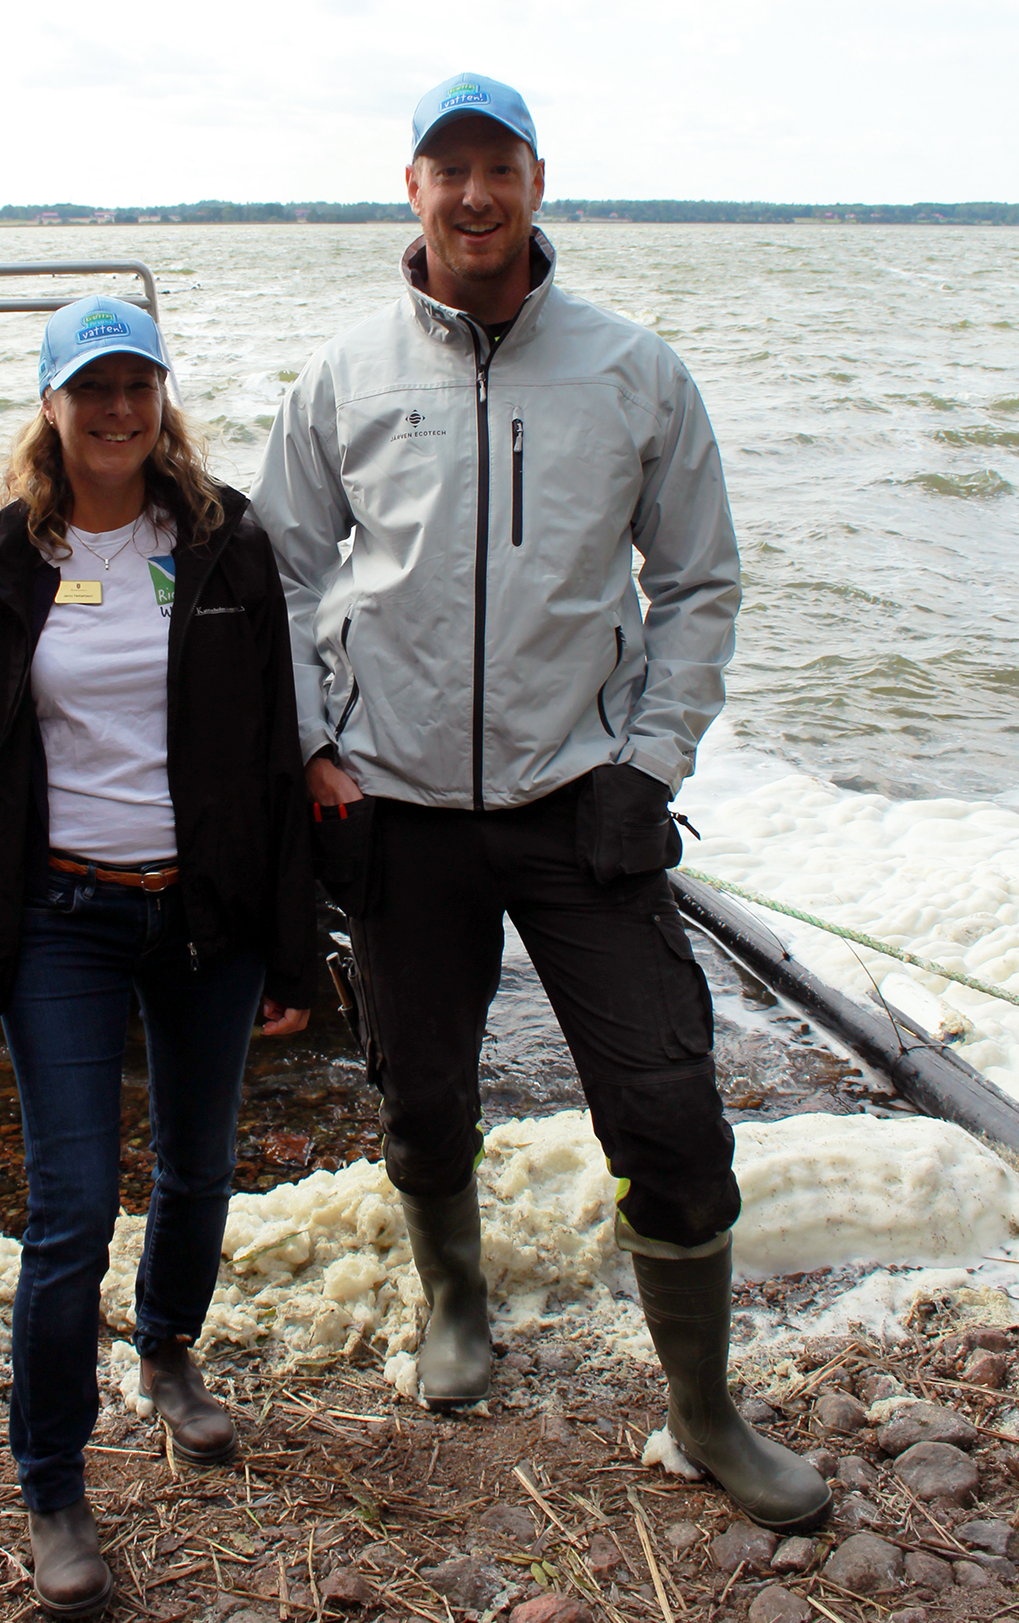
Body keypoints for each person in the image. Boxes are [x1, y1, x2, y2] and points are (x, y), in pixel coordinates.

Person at [251, 73, 830, 1532]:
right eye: (446, 171)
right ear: (411, 191)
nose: (473, 196)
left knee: (672, 1111)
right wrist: (321, 751)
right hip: (399, 811)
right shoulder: (346, 377)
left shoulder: (636, 373)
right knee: (425, 1091)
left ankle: (702, 1412)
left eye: (495, 167)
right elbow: (279, 575)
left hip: (585, 808)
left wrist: (652, 762)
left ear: (536, 179)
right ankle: (458, 1305)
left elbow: (698, 582)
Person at [0, 293, 317, 1618]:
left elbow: (272, 758)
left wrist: (293, 955)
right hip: (61, 920)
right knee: (73, 1205)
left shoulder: (222, 543)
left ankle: (169, 1351)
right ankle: (53, 1480)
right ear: (49, 404)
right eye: (90, 388)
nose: (116, 411)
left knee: (200, 1167)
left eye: (136, 385)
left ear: (163, 399)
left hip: (203, 918)